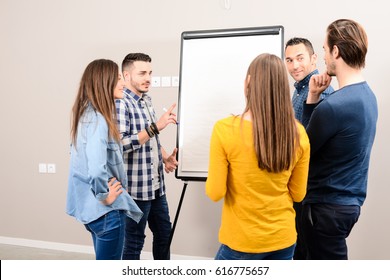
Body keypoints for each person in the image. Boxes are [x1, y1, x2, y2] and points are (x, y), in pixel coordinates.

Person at [205, 53, 311, 260]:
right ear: (282, 87)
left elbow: (215, 192)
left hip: (242, 241)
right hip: (283, 239)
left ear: (249, 82)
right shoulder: (299, 134)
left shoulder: (224, 129)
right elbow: (298, 195)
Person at [301, 19, 378, 260]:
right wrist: (314, 95)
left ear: (336, 51)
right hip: (347, 206)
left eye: (324, 49)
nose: (324, 56)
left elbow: (302, 151)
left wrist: (312, 101)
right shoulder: (368, 96)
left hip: (324, 209)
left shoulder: (334, 106)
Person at [66, 59, 143, 260]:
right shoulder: (99, 119)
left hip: (92, 212)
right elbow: (96, 168)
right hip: (107, 212)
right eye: (118, 78)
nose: (123, 83)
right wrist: (104, 195)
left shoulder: (84, 115)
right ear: (104, 81)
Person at [115, 52, 178, 260]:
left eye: (150, 72)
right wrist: (156, 126)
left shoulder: (146, 100)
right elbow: (121, 144)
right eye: (142, 73)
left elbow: (150, 140)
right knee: (134, 243)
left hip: (156, 186)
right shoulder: (121, 103)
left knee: (164, 235)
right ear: (126, 75)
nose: (148, 78)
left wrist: (165, 157)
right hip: (135, 190)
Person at [284, 37, 334, 260]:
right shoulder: (300, 89)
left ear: (314, 58)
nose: (295, 65)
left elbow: (312, 143)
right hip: (299, 187)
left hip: (309, 189)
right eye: (289, 59)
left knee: (305, 253)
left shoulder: (319, 89)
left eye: (300, 58)